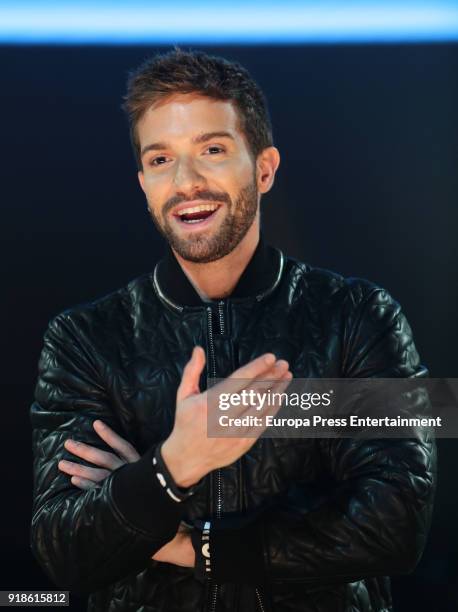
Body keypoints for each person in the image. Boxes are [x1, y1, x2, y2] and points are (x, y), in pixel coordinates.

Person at [30, 47, 436, 612]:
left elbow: (395, 529)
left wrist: (175, 530)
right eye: (160, 160)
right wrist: (174, 464)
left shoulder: (360, 316)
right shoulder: (83, 339)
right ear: (143, 182)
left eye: (212, 151)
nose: (186, 181)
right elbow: (65, 553)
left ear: (264, 168)